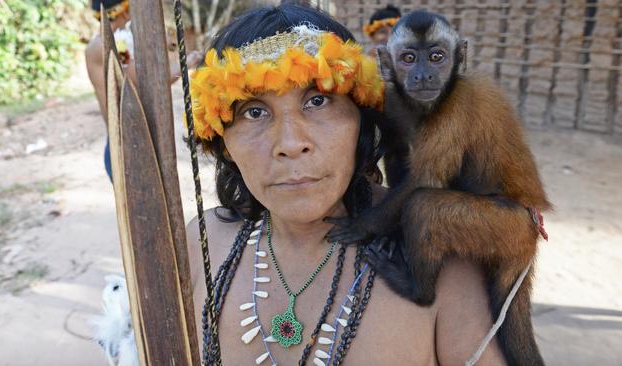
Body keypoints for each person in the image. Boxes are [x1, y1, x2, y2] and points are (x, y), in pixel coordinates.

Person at [186, 4, 505, 365]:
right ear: (221, 137)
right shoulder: (202, 245)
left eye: (317, 100)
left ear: (362, 118)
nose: (291, 143)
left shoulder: (443, 262)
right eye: (254, 111)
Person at [85, 0, 201, 182]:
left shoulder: (103, 43)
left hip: (129, 142)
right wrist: (186, 61)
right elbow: (150, 83)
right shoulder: (109, 45)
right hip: (126, 146)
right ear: (124, 11)